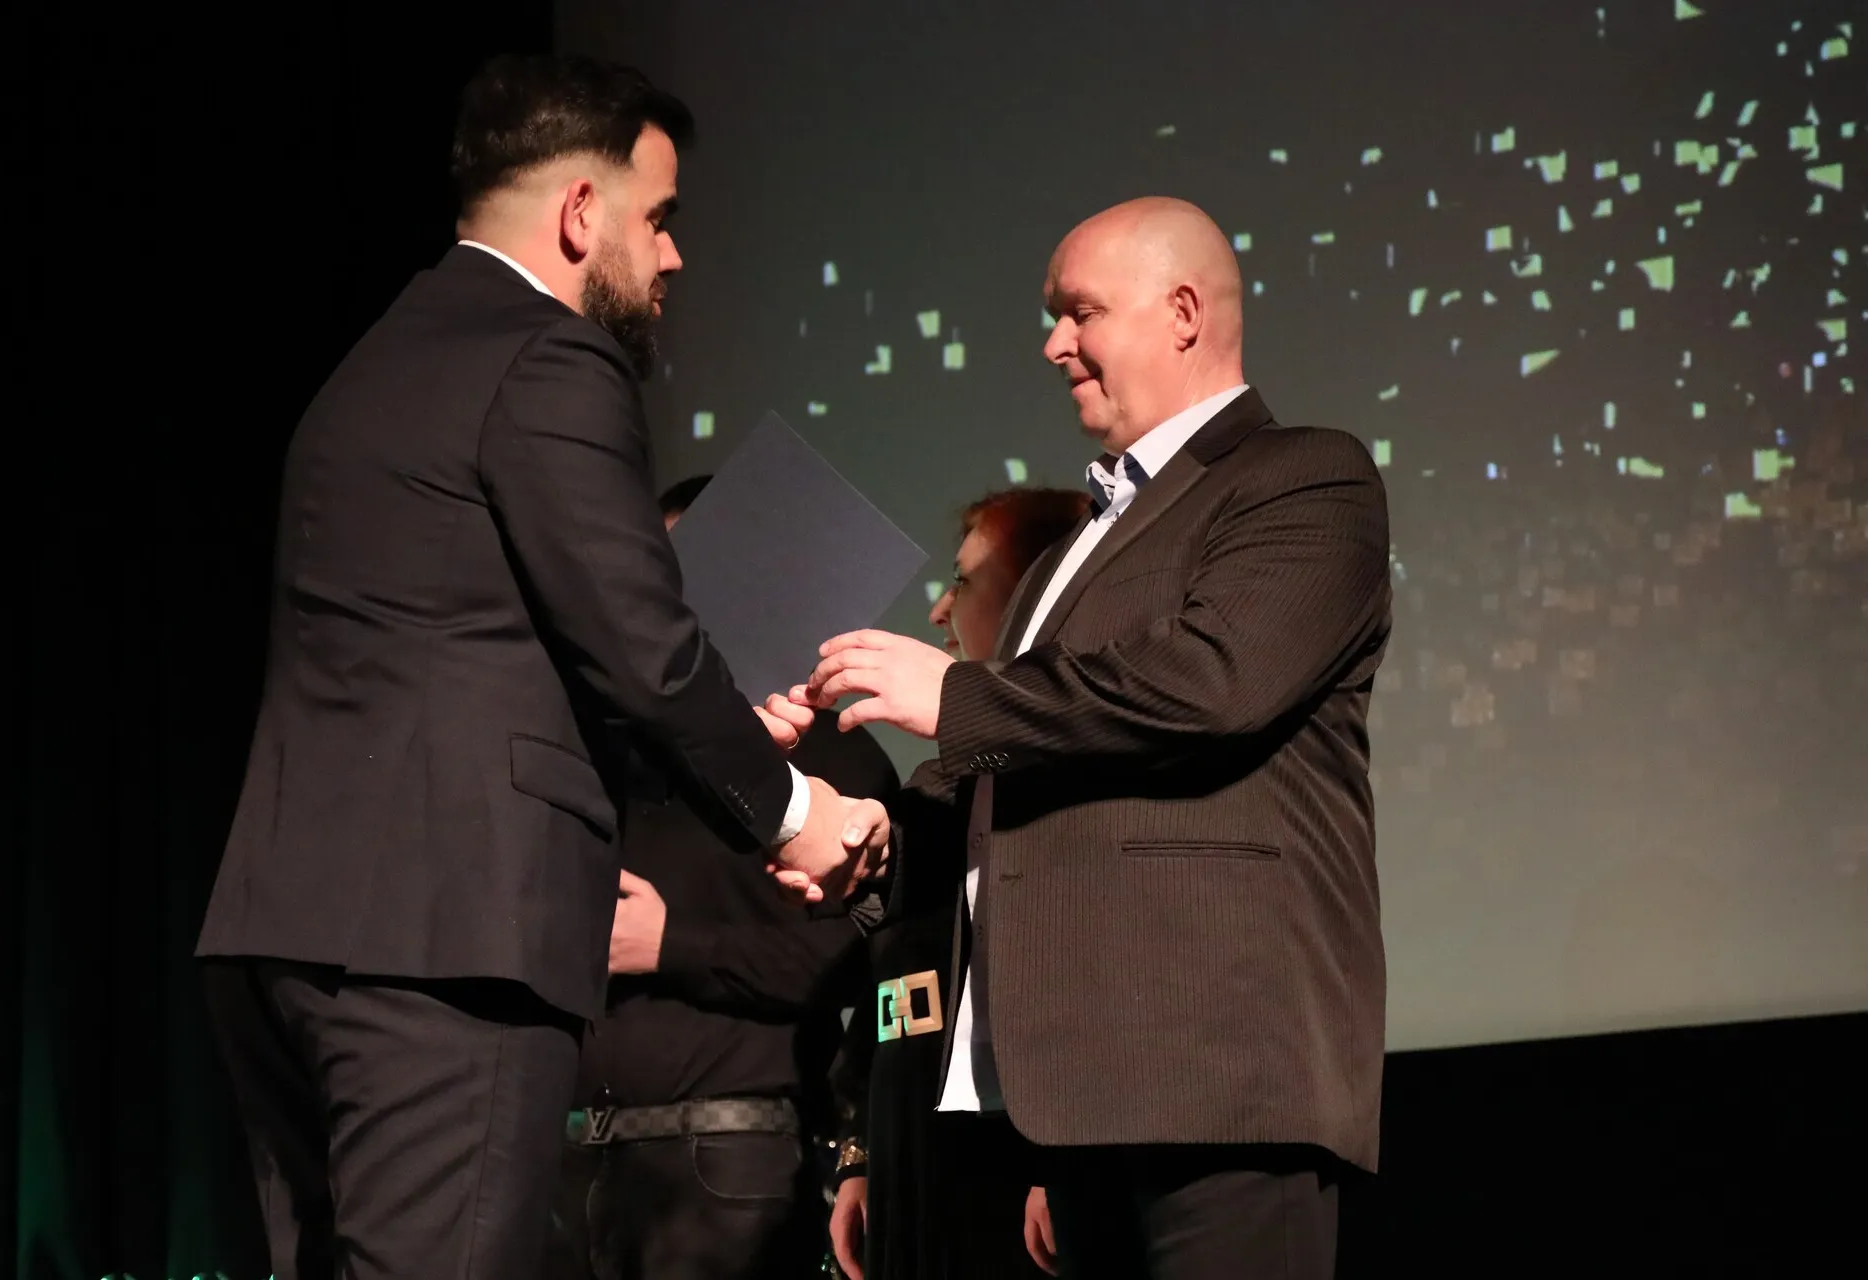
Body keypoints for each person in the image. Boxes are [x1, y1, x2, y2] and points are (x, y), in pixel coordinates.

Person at [195, 57, 886, 1280]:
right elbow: (645, 648)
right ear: (579, 212)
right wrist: (797, 813)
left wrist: (716, 738)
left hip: (293, 934)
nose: (673, 256)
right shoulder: (550, 357)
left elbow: (464, 653)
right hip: (448, 944)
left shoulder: (380, 361)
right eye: (658, 218)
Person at [783, 197, 1392, 1280]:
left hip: (1220, 1080)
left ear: (1184, 313)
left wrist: (957, 695)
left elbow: (1211, 685)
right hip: (1079, 1104)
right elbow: (1015, 779)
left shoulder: (1303, 476)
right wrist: (862, 836)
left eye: (1081, 312)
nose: (1054, 343)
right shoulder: (1072, 553)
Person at [545, 476, 900, 1280]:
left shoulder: (831, 750)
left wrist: (671, 946)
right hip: (571, 1159)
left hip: (729, 1157)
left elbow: (854, 956)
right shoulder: (612, 756)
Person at [826, 488, 1088, 1280]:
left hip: (1014, 1176)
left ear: (1035, 596)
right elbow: (889, 981)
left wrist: (1064, 1164)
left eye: (965, 581)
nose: (939, 610)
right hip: (914, 1159)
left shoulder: (1074, 785)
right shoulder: (940, 786)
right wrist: (862, 1153)